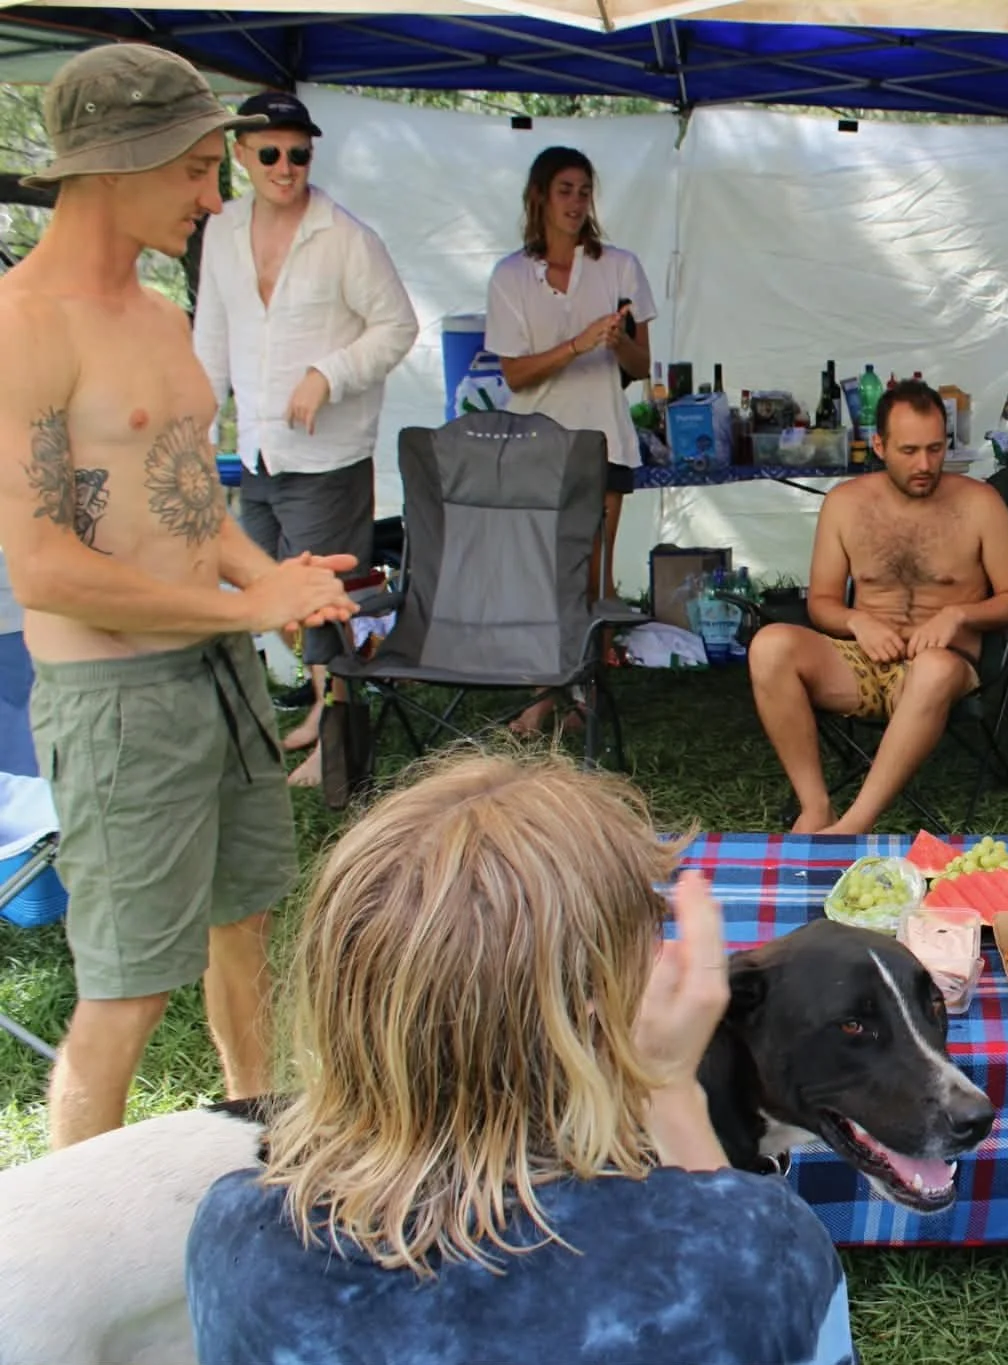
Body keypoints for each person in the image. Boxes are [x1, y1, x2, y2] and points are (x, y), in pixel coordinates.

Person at [185, 753, 855, 1365]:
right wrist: (672, 1088)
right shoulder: (756, 1252)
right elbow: (732, 1263)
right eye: (645, 938)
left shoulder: (233, 1235)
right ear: (591, 1003)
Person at [0, 44, 356, 1149]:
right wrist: (245, 610)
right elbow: (46, 567)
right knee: (125, 994)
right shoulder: (24, 327)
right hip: (116, 702)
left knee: (243, 926)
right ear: (118, 166)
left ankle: (259, 1150)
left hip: (220, 678)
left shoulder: (159, 314)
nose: (215, 197)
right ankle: (70, 1268)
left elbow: (192, 505)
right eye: (200, 169)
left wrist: (277, 583)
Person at [194, 90, 418, 789]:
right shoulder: (222, 231)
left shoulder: (345, 235)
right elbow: (211, 340)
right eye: (270, 153)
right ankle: (318, 710)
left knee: (322, 595)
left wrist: (328, 372)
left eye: (299, 153)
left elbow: (398, 326)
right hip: (260, 447)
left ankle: (338, 738)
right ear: (241, 155)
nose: (286, 166)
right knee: (263, 579)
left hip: (327, 454)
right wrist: (199, 440)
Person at [748, 381, 1008, 834]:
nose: (924, 464)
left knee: (935, 668)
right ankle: (816, 806)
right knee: (768, 646)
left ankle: (854, 824)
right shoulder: (846, 503)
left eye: (936, 449)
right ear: (878, 445)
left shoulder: (980, 504)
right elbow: (821, 603)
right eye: (909, 450)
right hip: (862, 660)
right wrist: (856, 620)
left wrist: (957, 614)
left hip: (944, 665)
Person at [485, 145, 654, 735]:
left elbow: (642, 365)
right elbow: (514, 374)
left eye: (585, 190)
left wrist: (614, 346)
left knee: (593, 576)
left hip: (603, 438)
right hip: (534, 442)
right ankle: (541, 695)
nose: (577, 202)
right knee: (540, 573)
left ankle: (585, 693)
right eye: (565, 190)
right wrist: (577, 345)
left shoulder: (620, 266)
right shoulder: (510, 275)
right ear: (540, 196)